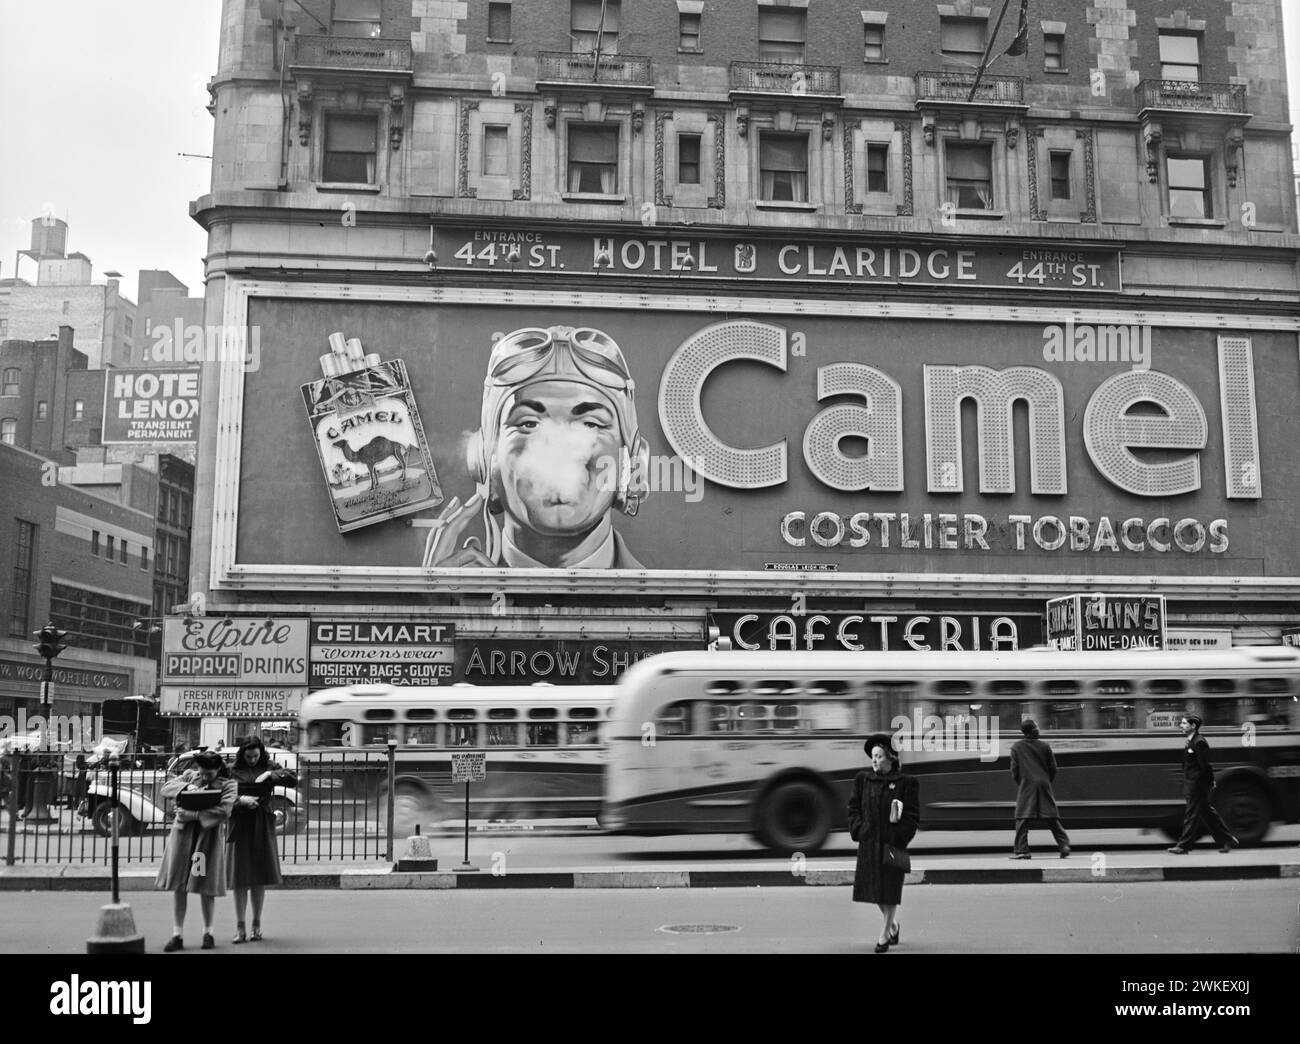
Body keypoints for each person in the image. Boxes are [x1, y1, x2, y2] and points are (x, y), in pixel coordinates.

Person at [422, 326, 651, 569]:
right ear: (485, 462)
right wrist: (433, 599)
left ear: (631, 463)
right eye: (528, 423)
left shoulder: (659, 603)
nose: (559, 450)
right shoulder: (452, 594)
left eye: (591, 424)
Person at [154, 749, 236, 951]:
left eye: (209, 773)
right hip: (183, 838)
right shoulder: (190, 776)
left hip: (205, 841)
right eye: (202, 772)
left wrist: (192, 814)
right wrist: (187, 787)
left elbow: (224, 811)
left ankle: (208, 932)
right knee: (179, 885)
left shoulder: (229, 785)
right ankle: (177, 934)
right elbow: (166, 787)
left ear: (218, 769)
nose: (205, 776)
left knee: (205, 886)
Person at [848, 734, 920, 953]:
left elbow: (912, 816)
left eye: (878, 756)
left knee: (890, 890)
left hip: (893, 845)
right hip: (869, 845)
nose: (874, 761)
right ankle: (894, 926)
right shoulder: (863, 780)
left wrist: (898, 837)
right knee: (874, 891)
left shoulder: (907, 783)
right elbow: (853, 809)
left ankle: (884, 935)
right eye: (873, 757)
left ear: (890, 758)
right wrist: (859, 829)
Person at [226, 735, 297, 943]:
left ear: (261, 753)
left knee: (258, 876)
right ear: (242, 754)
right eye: (248, 756)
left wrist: (269, 774)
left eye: (255, 756)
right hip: (239, 822)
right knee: (239, 878)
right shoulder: (231, 769)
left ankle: (256, 925)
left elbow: (292, 778)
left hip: (261, 822)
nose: (252, 760)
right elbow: (221, 793)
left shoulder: (270, 765)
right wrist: (240, 800)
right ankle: (240, 928)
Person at [1167, 714, 1239, 854]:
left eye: (1184, 723)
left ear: (1193, 726)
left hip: (1197, 785)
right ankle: (1228, 840)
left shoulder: (1199, 742)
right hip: (1192, 783)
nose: (1181, 726)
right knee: (1207, 814)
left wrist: (1207, 783)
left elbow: (1205, 766)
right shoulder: (1191, 741)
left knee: (1191, 815)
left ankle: (1183, 846)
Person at [1008, 719, 1071, 859]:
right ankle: (1064, 845)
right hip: (1044, 783)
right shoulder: (1044, 746)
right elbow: (1053, 768)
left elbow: (1014, 770)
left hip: (1027, 784)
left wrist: (1022, 782)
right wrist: (1046, 780)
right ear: (1032, 730)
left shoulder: (1016, 747)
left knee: (1022, 818)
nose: (1039, 729)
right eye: (1037, 727)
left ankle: (1022, 850)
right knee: (1051, 817)